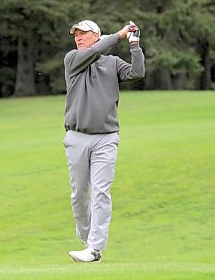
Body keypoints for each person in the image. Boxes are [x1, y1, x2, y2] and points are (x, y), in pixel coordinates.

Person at [64, 20, 145, 262]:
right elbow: (96, 50)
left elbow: (137, 72)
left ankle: (94, 249)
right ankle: (86, 238)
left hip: (106, 138)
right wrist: (119, 34)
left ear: (97, 35)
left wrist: (134, 45)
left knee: (101, 192)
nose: (78, 38)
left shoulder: (112, 63)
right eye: (76, 35)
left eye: (84, 34)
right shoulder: (72, 60)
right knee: (79, 194)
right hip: (76, 137)